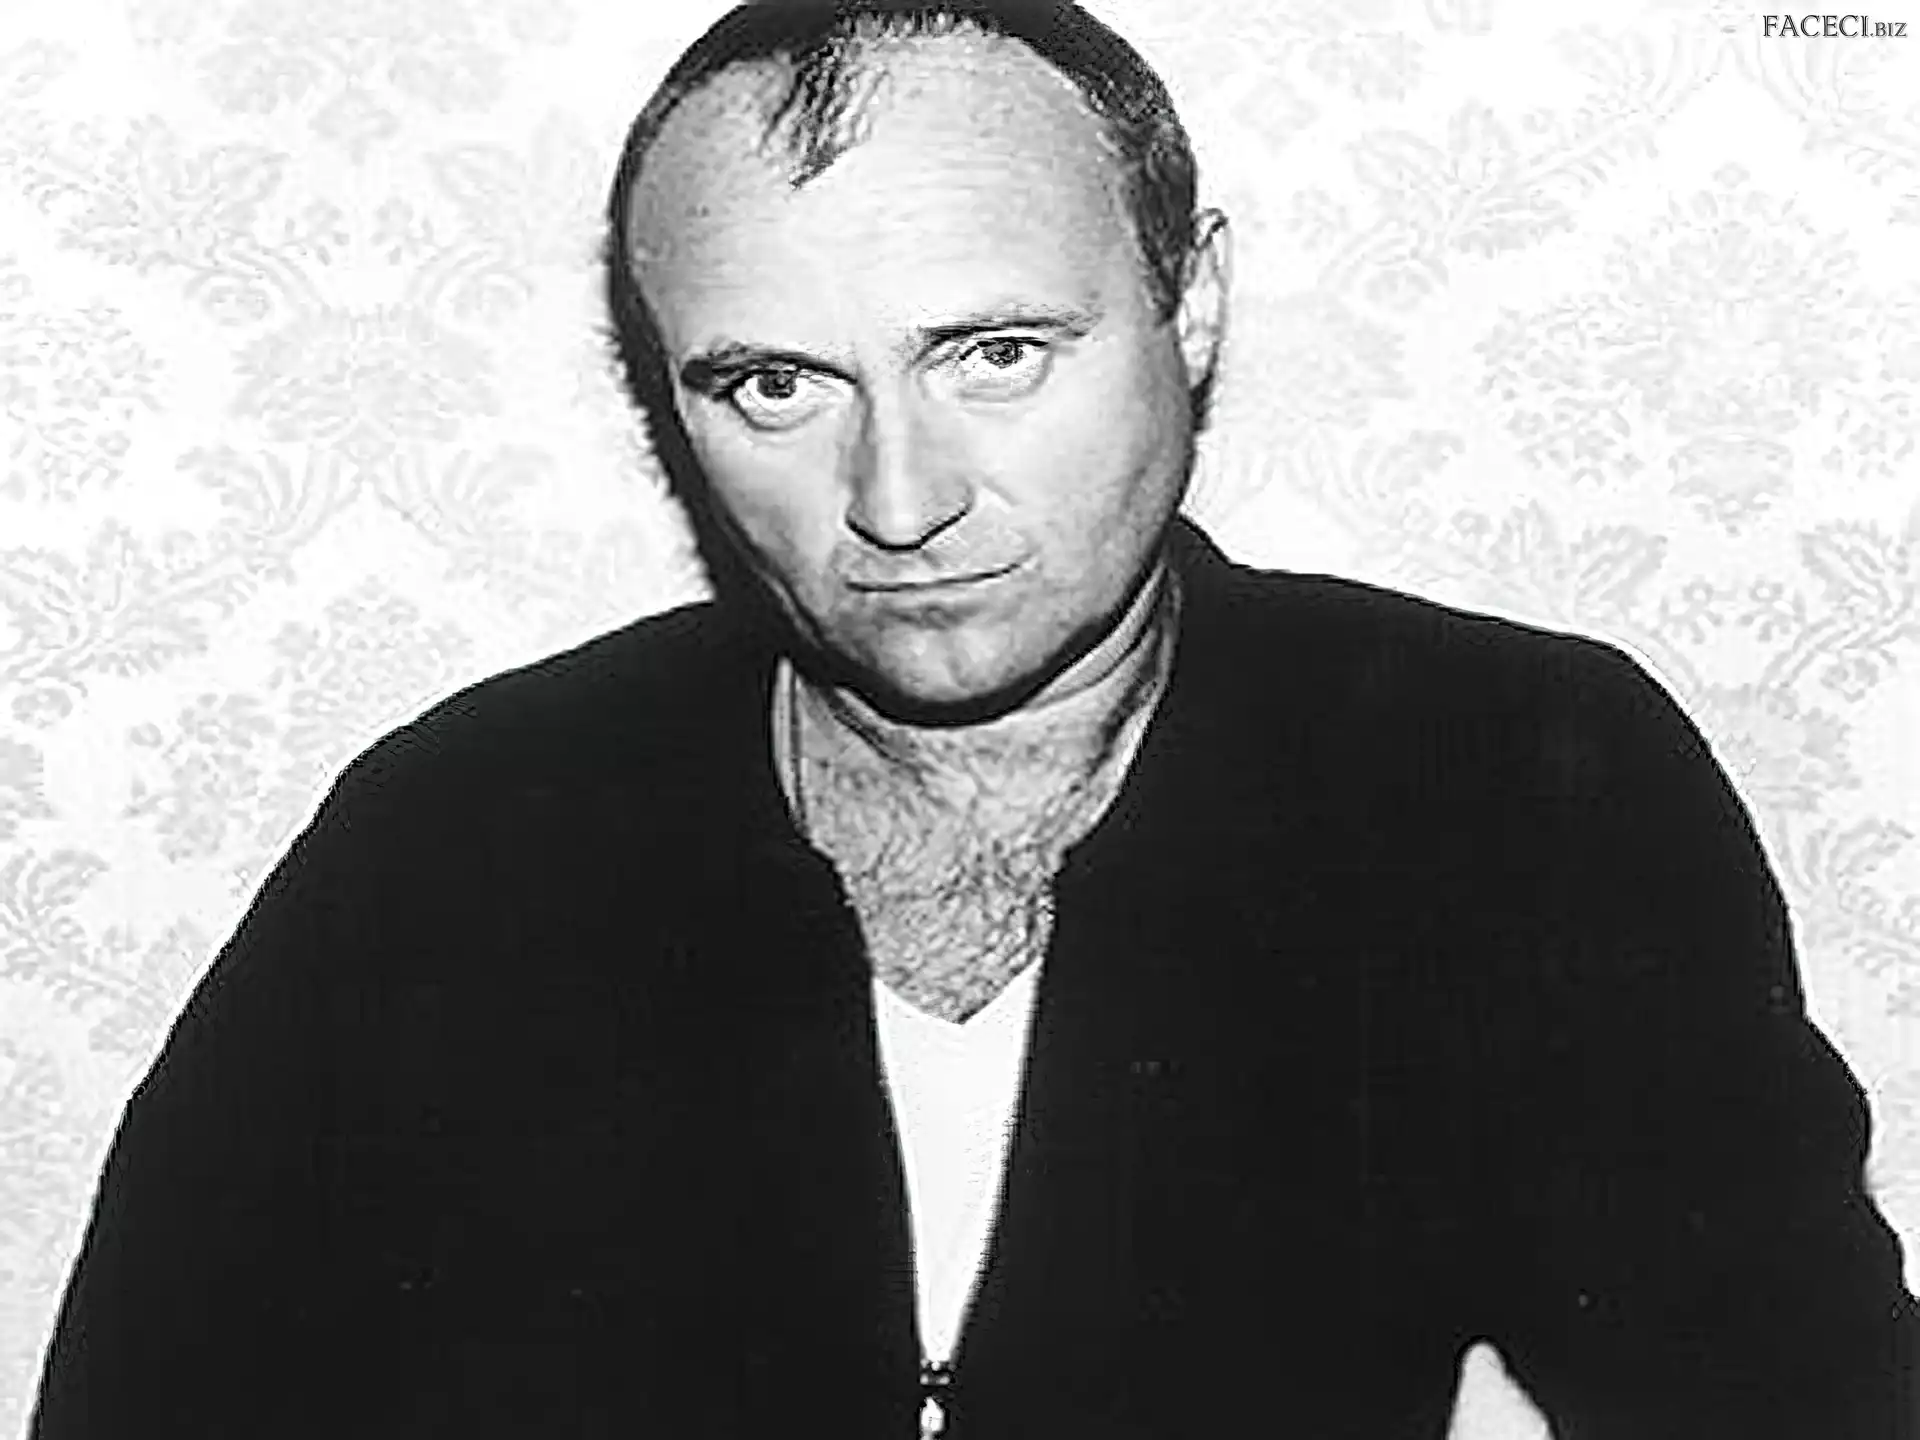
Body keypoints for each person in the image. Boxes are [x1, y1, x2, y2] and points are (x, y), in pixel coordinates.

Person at [28, 1, 1919, 1436]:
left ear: (1191, 306)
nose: (900, 498)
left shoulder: (1500, 773)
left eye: (996, 354)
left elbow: (1799, 1399)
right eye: (775, 386)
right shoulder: (467, 828)